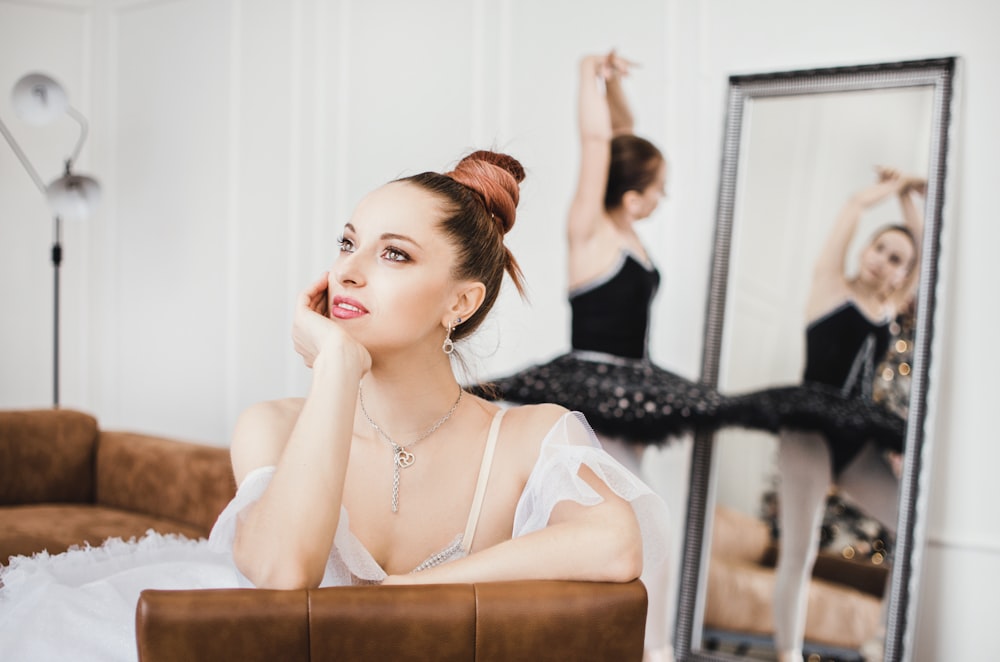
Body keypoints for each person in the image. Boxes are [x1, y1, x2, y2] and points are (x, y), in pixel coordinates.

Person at [0, 149, 672, 662]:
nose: (349, 271)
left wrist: (402, 599)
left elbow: (615, 543)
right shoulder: (272, 425)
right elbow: (281, 574)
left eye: (395, 255)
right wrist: (337, 369)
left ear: (460, 303)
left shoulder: (530, 436)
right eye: (348, 243)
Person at [470, 51, 722, 472]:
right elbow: (598, 143)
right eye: (661, 188)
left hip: (632, 381)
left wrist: (615, 84)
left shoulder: (627, 233)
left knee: (625, 487)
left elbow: (621, 135)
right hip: (591, 384)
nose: (665, 197)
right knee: (618, 495)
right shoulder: (591, 229)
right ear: (633, 195)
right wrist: (588, 71)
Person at [724, 166, 926, 662]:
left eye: (897, 259)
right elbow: (855, 207)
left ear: (905, 273)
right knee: (801, 550)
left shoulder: (891, 307)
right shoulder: (829, 285)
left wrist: (911, 200)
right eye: (880, 249)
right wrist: (894, 188)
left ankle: (884, 638)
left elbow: (927, 246)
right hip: (808, 431)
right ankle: (788, 653)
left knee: (914, 527)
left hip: (858, 441)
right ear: (865, 251)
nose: (884, 261)